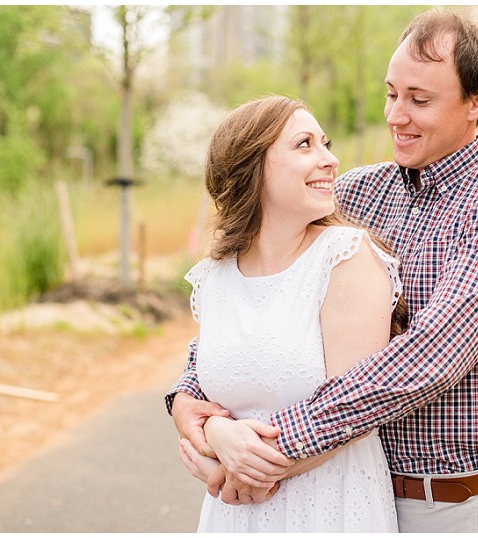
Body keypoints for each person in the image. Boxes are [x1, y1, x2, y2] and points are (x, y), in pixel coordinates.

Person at [167, 8, 478, 533]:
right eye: (392, 93)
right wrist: (191, 404)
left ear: (477, 101)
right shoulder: (357, 192)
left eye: (420, 100)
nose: (396, 115)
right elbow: (262, 305)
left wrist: (261, 453)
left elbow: (430, 358)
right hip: (332, 487)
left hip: (445, 506)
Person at [174, 94, 408, 532]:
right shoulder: (216, 275)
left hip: (331, 506)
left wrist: (235, 470)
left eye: (325, 143)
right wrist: (212, 436)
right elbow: (203, 389)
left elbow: (351, 410)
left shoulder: (348, 258)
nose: (331, 160)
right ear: (253, 167)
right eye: (305, 145)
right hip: (234, 515)